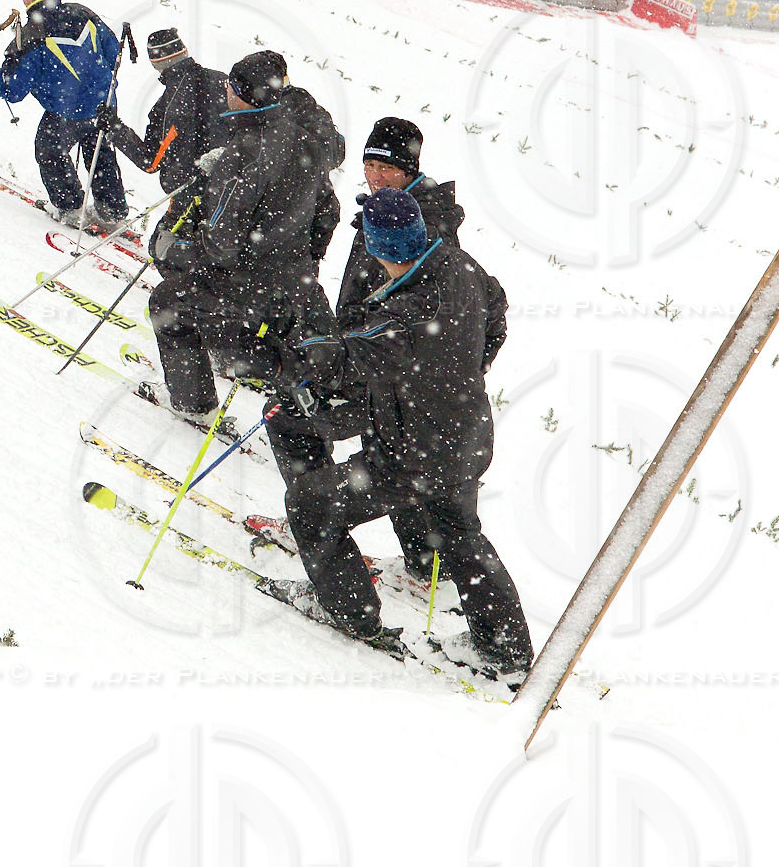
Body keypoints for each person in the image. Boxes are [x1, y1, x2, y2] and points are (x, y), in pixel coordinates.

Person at [275, 187, 538, 677]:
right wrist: (464, 370)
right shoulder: (462, 268)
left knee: (310, 504)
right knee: (462, 535)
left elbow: (343, 362)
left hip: (410, 454)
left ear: (376, 248)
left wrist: (299, 356)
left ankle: (355, 614)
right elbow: (497, 313)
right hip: (465, 436)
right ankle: (507, 651)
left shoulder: (402, 317)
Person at [141, 50, 344, 470]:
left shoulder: (245, 153)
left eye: (231, 87)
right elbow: (329, 210)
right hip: (290, 279)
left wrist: (178, 250)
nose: (225, 92)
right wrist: (306, 259)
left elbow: (221, 244)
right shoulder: (303, 141)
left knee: (168, 303)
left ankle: (196, 402)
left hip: (248, 282)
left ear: (244, 96)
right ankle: (261, 363)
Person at [350, 117, 508, 581]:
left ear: (410, 169)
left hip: (406, 376)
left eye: (387, 167)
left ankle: (425, 562)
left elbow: (471, 307)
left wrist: (461, 365)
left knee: (412, 473)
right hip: (397, 366)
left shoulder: (421, 221)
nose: (376, 175)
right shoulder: (394, 207)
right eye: (370, 164)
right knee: (410, 470)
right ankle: (424, 563)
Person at [0, 0, 127, 228]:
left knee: (49, 149)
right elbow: (112, 49)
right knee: (100, 153)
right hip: (104, 104)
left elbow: (12, 89)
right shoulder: (83, 13)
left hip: (67, 111)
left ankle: (71, 208)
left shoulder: (31, 34)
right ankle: (112, 211)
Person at [99, 27, 223, 194]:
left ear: (158, 63)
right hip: (234, 191)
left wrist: (114, 127)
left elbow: (150, 161)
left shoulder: (168, 106)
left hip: (189, 194)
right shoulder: (223, 81)